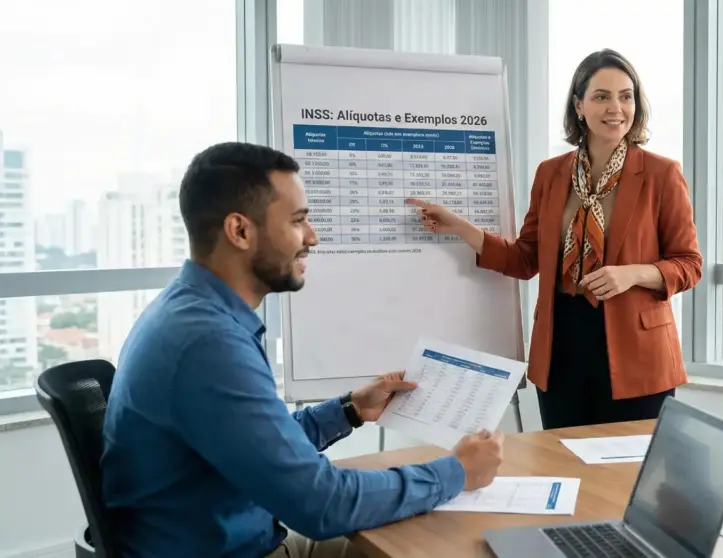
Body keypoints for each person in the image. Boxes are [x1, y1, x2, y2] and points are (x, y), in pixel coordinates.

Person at [100, 142, 504, 558]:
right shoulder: (208, 344)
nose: (313, 236)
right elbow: (322, 505)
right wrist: (456, 472)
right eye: (298, 221)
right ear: (240, 231)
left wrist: (349, 409)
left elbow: (262, 444)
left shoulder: (193, 312)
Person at [408, 49, 702, 430]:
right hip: (562, 345)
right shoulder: (551, 174)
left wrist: (632, 274)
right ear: (579, 106)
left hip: (637, 353)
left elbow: (689, 264)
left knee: (628, 476)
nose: (616, 108)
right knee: (565, 466)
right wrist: (463, 228)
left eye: (626, 96)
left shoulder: (661, 174)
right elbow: (526, 258)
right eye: (602, 96)